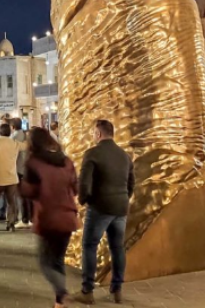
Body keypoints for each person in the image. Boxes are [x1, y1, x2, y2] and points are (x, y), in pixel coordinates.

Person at [74, 119, 134, 305]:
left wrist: (84, 201)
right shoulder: (124, 155)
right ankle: (117, 290)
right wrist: (123, 198)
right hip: (120, 207)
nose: (93, 136)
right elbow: (131, 183)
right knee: (117, 248)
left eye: (93, 133)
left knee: (90, 246)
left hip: (100, 207)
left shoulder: (92, 154)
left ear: (98, 134)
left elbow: (84, 183)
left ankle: (87, 291)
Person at [21, 128, 79, 308]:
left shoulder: (33, 163)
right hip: (68, 216)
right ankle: (59, 302)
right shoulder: (66, 161)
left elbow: (29, 191)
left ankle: (61, 292)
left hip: (48, 217)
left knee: (45, 262)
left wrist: (20, 185)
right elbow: (75, 188)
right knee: (58, 260)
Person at [11, 118, 32, 229]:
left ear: (12, 126)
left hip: (18, 169)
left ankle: (24, 219)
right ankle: (30, 218)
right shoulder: (25, 135)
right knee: (28, 195)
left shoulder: (13, 137)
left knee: (21, 195)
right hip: (26, 168)